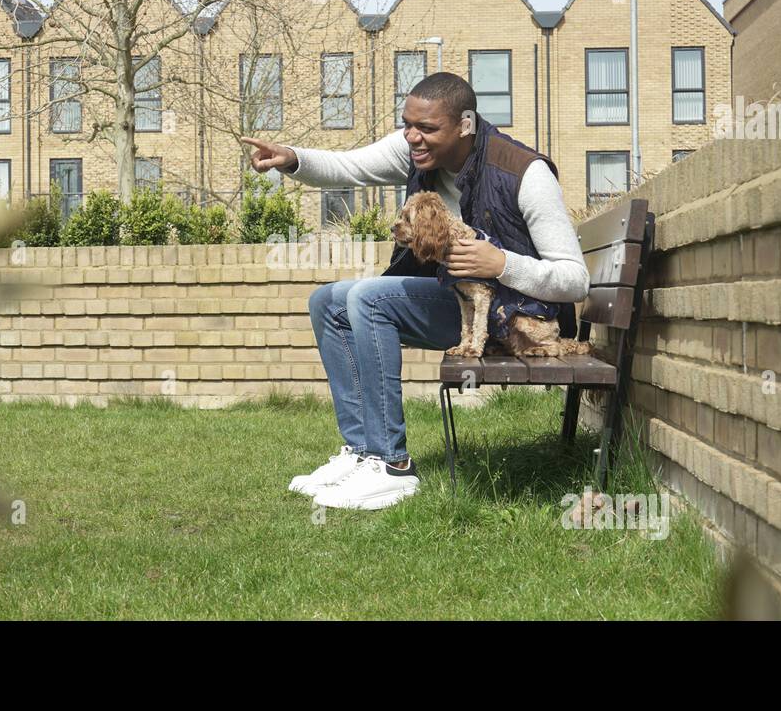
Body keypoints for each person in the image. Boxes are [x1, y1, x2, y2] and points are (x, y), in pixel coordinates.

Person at [241, 72, 590, 510]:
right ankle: (363, 452)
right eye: (407, 125)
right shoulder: (412, 152)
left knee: (367, 298)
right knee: (326, 300)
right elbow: (349, 166)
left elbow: (575, 279)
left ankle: (392, 466)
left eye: (426, 128)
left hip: (514, 318)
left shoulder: (524, 172)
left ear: (465, 125)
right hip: (458, 301)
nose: (412, 137)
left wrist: (501, 264)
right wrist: (292, 158)